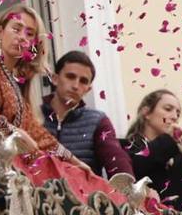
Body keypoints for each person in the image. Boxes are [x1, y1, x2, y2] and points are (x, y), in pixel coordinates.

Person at [0, 6, 86, 168]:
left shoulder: (14, 83)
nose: (21, 37)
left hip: (9, 168)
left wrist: (73, 161)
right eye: (16, 29)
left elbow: (37, 134)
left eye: (29, 34)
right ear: (1, 32)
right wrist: (17, 133)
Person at [41, 50, 133, 179]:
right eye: (70, 76)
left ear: (88, 89)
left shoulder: (98, 121)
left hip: (83, 196)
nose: (75, 85)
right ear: (55, 79)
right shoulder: (32, 113)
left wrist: (129, 188)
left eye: (83, 81)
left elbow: (117, 161)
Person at [121, 90, 182, 215]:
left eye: (178, 113)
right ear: (146, 112)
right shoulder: (125, 146)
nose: (174, 116)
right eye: (168, 109)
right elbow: (136, 167)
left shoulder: (179, 158)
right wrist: (169, 140)